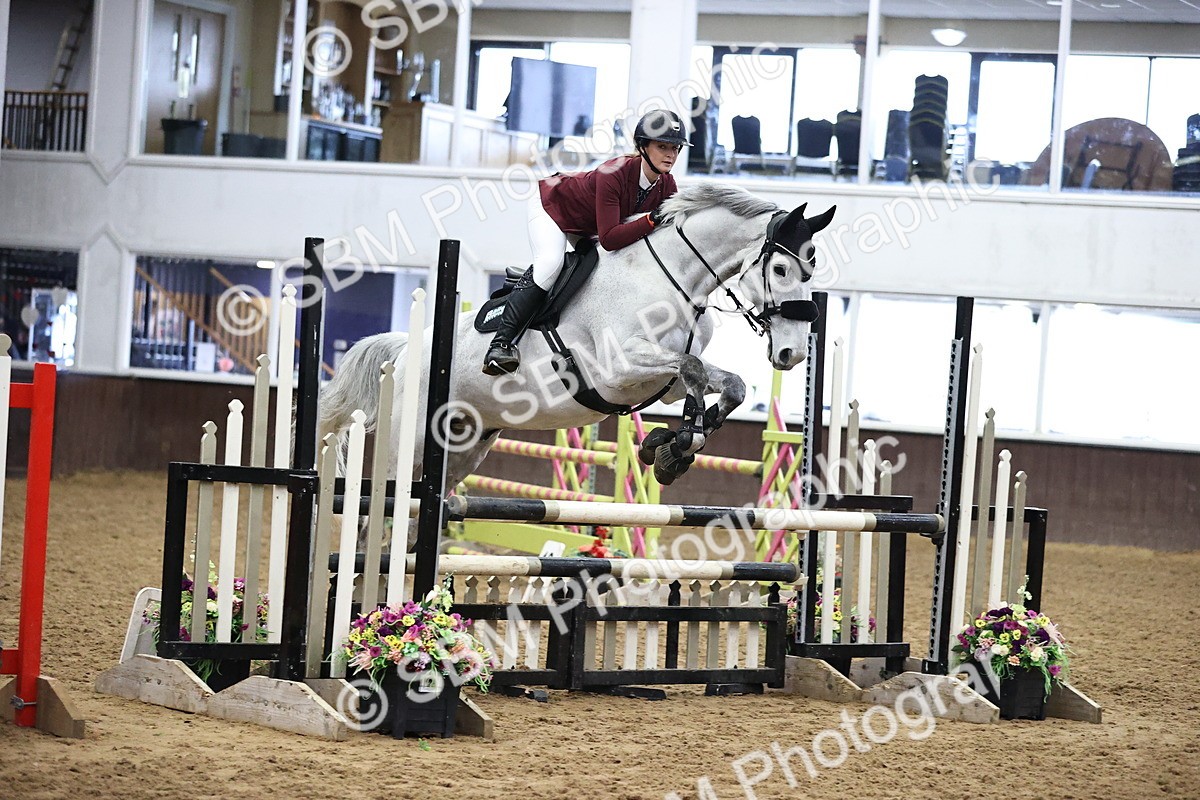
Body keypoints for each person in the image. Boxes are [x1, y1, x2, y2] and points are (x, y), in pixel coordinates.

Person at [482, 108, 688, 375]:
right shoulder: (613, 174)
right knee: (550, 264)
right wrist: (651, 220)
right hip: (554, 208)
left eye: (676, 148)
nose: (671, 154)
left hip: (589, 224)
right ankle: (500, 345)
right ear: (642, 146)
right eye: (663, 146)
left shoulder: (667, 185)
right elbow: (611, 239)